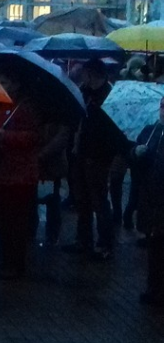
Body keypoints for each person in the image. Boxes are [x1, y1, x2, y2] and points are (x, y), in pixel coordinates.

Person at [63, 59, 117, 261]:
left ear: (92, 73)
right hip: (81, 151)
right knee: (82, 199)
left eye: (85, 72)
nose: (82, 76)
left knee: (99, 200)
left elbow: (110, 128)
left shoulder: (109, 96)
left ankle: (105, 244)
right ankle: (83, 240)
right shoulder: (84, 91)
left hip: (99, 154)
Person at [0, 71, 41, 279]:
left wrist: (6, 137)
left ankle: (15, 263)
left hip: (19, 175)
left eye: (5, 80)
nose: (1, 84)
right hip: (0, 172)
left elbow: (34, 137)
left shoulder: (26, 108)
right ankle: (3, 255)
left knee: (16, 220)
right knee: (1, 217)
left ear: (16, 84)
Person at [132, 97, 164, 307]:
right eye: (163, 106)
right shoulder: (151, 131)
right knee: (154, 245)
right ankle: (153, 288)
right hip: (150, 196)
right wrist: (136, 153)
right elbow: (133, 157)